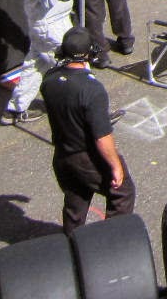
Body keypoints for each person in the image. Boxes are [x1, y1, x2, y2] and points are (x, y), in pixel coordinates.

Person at [41, 26, 135, 232]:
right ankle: (108, 245)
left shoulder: (49, 79)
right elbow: (102, 137)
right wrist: (115, 166)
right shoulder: (92, 89)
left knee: (77, 200)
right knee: (123, 193)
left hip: (63, 155)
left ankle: (73, 245)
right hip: (87, 158)